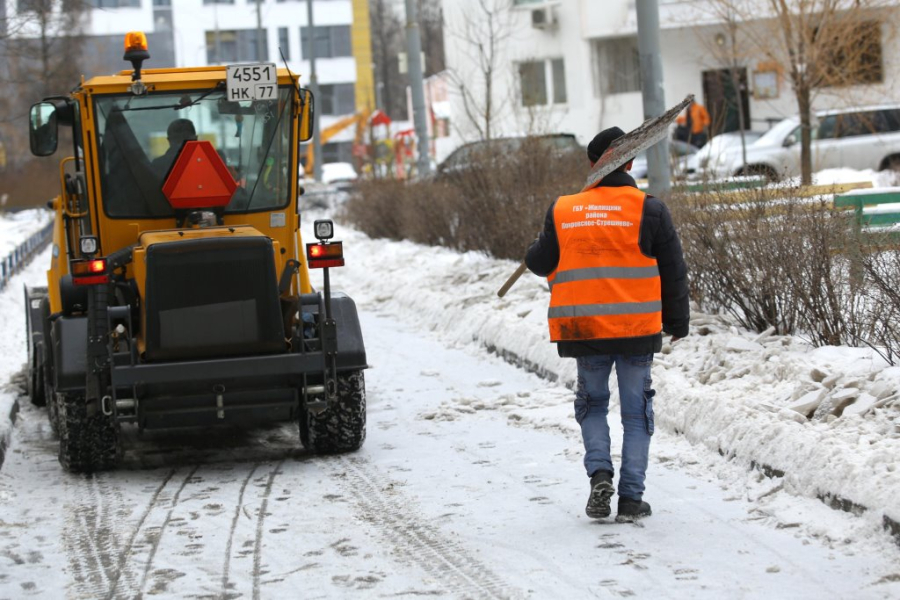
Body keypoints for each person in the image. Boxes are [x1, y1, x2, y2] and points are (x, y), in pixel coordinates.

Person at [525, 126, 690, 523]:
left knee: (593, 404)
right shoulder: (649, 209)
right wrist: (677, 322)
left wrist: (538, 243)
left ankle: (600, 474)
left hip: (586, 330)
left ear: (591, 163)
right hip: (636, 330)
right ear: (629, 163)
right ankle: (631, 499)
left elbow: (540, 263)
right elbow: (673, 271)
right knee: (636, 412)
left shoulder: (564, 210)